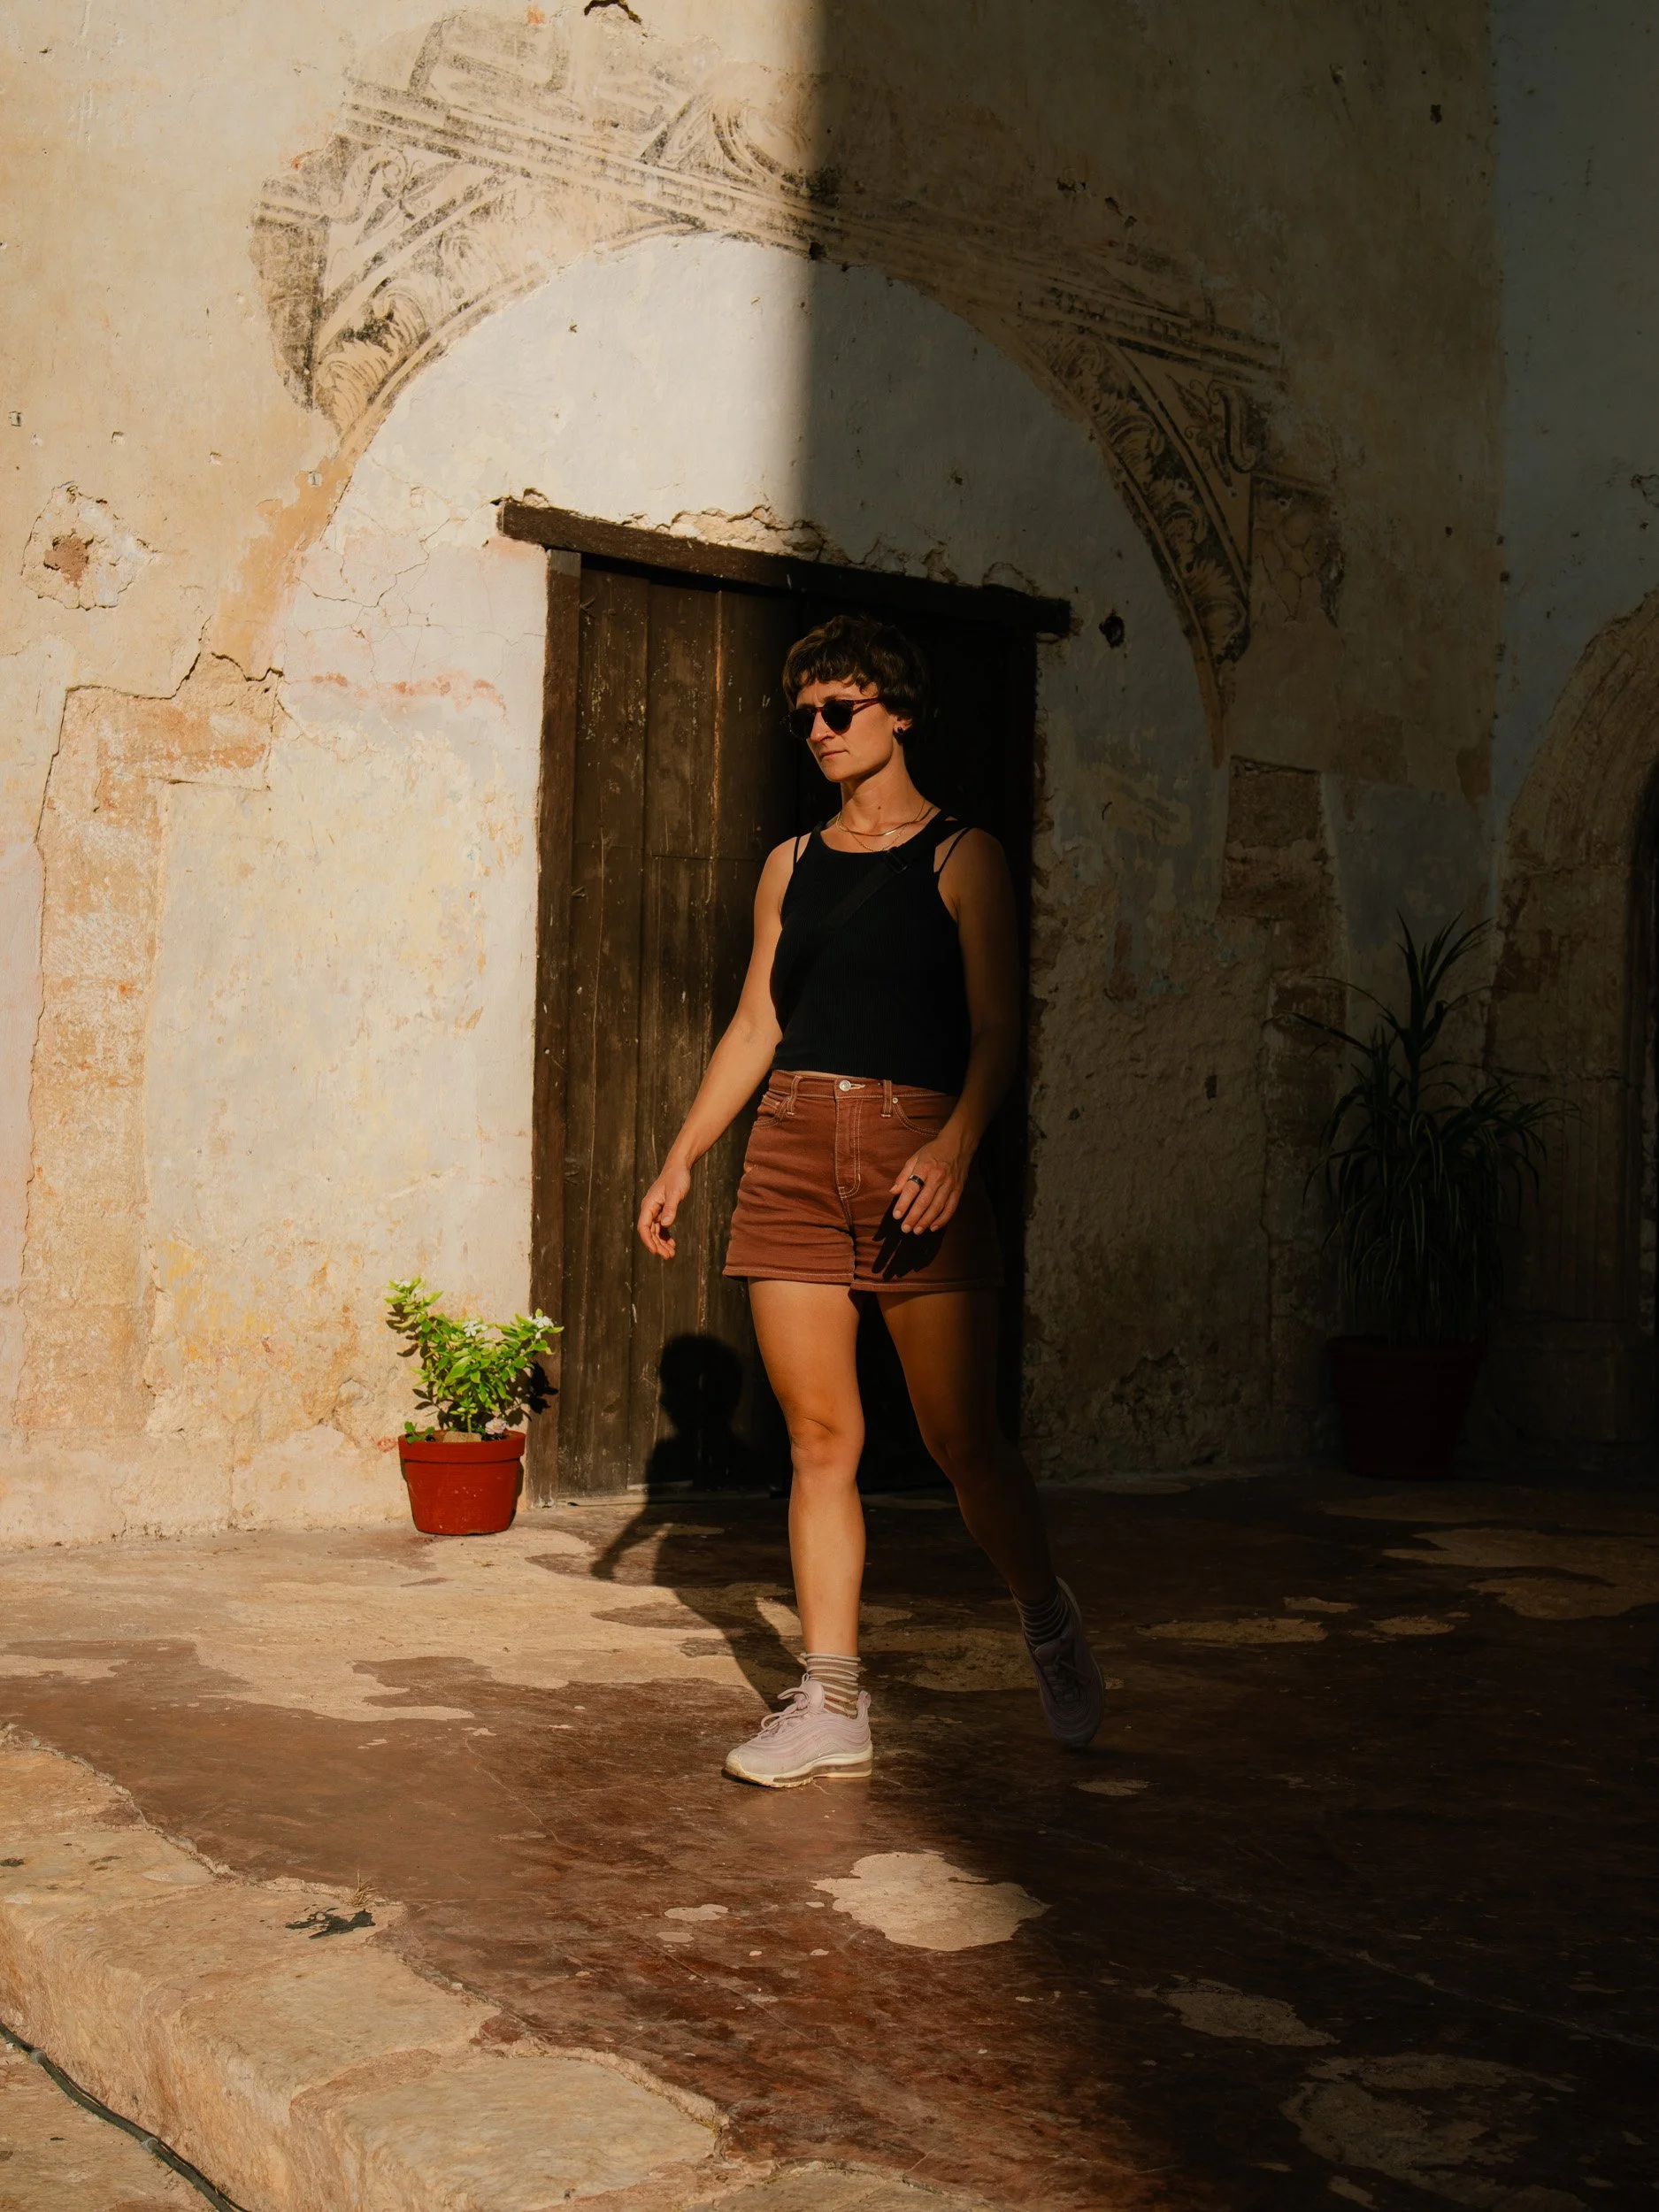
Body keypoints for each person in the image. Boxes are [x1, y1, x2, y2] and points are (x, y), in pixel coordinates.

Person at [635, 612, 1102, 1787]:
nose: (819, 731)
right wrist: (684, 1152)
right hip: (791, 1143)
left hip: (911, 1154)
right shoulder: (788, 864)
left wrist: (954, 1143)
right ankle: (831, 1701)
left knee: (962, 1445)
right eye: (802, 716)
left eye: (838, 709)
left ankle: (1042, 1610)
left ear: (897, 710)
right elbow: (757, 1021)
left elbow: (1000, 1028)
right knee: (818, 1441)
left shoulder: (963, 856)